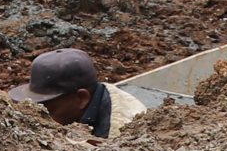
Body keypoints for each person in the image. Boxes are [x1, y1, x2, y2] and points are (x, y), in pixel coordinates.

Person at [8, 48, 145, 141]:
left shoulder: (122, 133)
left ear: (81, 99)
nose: (42, 119)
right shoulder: (92, 96)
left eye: (49, 111)